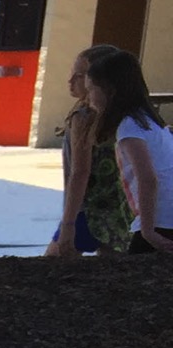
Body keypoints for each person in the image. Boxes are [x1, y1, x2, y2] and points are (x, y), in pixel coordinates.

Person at [86, 47, 173, 256]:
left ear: (110, 90)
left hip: (160, 221)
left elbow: (147, 178)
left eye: (91, 90)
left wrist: (148, 231)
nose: (88, 98)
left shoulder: (129, 126)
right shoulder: (148, 119)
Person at [45, 45, 130, 256]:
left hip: (86, 211)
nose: (70, 80)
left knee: (51, 264)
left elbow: (80, 172)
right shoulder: (123, 114)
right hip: (118, 211)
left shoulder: (83, 116)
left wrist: (68, 223)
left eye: (80, 76)